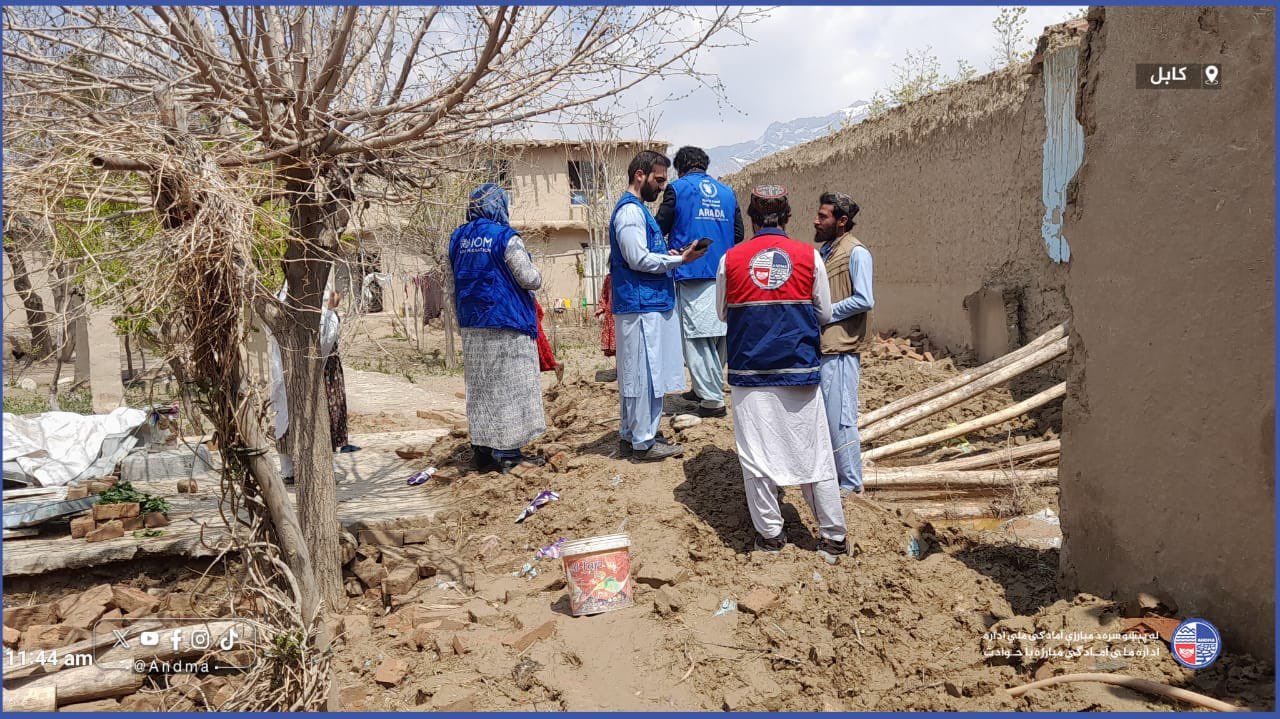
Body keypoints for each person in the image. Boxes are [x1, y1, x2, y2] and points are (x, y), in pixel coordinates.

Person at [715, 185, 848, 563]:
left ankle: (771, 537)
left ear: (752, 218)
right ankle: (833, 537)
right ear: (787, 216)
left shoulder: (731, 259)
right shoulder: (810, 256)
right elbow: (824, 313)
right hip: (799, 370)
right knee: (815, 453)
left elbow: (723, 312)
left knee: (756, 457)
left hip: (749, 372)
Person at [609, 150, 708, 462]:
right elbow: (637, 258)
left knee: (638, 374)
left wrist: (671, 253)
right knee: (645, 374)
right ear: (641, 175)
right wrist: (680, 259)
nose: (663, 187)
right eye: (659, 179)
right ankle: (644, 440)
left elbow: (644, 251)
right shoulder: (630, 213)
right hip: (642, 305)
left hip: (644, 303)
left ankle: (632, 434)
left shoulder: (636, 211)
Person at [449, 183, 547, 474]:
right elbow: (529, 279)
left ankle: (483, 451)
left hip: (472, 323)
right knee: (510, 390)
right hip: (506, 322)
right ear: (499, 206)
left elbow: (449, 280)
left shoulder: (456, 239)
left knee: (481, 389)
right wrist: (536, 268)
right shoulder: (505, 237)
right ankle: (508, 453)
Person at [655, 146, 744, 418]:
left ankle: (712, 401)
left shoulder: (677, 189)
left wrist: (673, 251)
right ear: (704, 166)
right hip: (726, 272)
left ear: (679, 168)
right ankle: (703, 387)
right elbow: (738, 234)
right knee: (718, 335)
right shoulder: (727, 192)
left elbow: (658, 228)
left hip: (692, 272)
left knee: (695, 337)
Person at [813, 192, 873, 496]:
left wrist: (825, 313)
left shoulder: (856, 252)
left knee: (841, 420)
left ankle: (850, 485)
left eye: (823, 216)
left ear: (842, 221)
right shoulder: (827, 251)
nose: (816, 220)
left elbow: (864, 299)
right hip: (825, 347)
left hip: (841, 349)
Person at [320, 289, 359, 454]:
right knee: (331, 401)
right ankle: (332, 440)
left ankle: (338, 440)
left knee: (337, 401)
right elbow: (326, 341)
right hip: (327, 364)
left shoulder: (330, 316)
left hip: (331, 363)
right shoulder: (326, 316)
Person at [534, 299, 565, 382]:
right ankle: (556, 366)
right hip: (534, 328)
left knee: (538, 357)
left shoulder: (522, 295)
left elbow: (539, 312)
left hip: (531, 329)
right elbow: (540, 312)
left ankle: (556, 366)